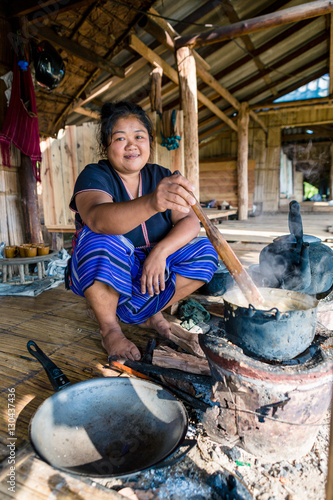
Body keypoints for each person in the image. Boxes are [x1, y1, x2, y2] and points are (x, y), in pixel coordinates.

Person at [68, 101, 218, 361]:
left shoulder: (161, 175)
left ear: (149, 141)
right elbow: (97, 218)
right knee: (99, 240)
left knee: (205, 252)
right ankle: (110, 328)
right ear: (105, 146)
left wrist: (161, 251)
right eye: (120, 138)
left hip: (152, 270)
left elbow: (192, 221)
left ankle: (147, 312)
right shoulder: (95, 175)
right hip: (113, 268)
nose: (131, 145)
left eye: (139, 136)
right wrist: (152, 202)